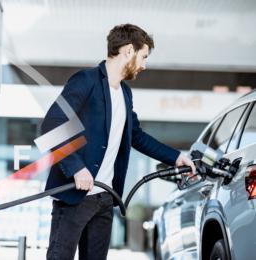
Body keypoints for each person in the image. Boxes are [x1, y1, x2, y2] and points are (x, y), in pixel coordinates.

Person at [41, 23, 196, 260]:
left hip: (105, 197)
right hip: (75, 195)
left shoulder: (125, 93)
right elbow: (51, 125)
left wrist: (175, 157)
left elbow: (136, 135)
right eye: (143, 56)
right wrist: (76, 168)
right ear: (128, 50)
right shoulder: (86, 80)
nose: (143, 65)